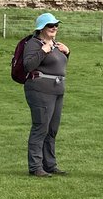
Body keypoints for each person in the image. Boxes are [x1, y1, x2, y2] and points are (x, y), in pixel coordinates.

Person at [22, 12, 70, 177]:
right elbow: (28, 65)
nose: (54, 27)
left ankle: (49, 164)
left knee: (52, 129)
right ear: (41, 27)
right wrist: (43, 51)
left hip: (57, 90)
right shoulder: (34, 44)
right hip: (40, 90)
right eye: (50, 25)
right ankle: (35, 167)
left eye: (56, 24)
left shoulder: (56, 44)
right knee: (40, 127)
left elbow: (58, 66)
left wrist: (67, 53)